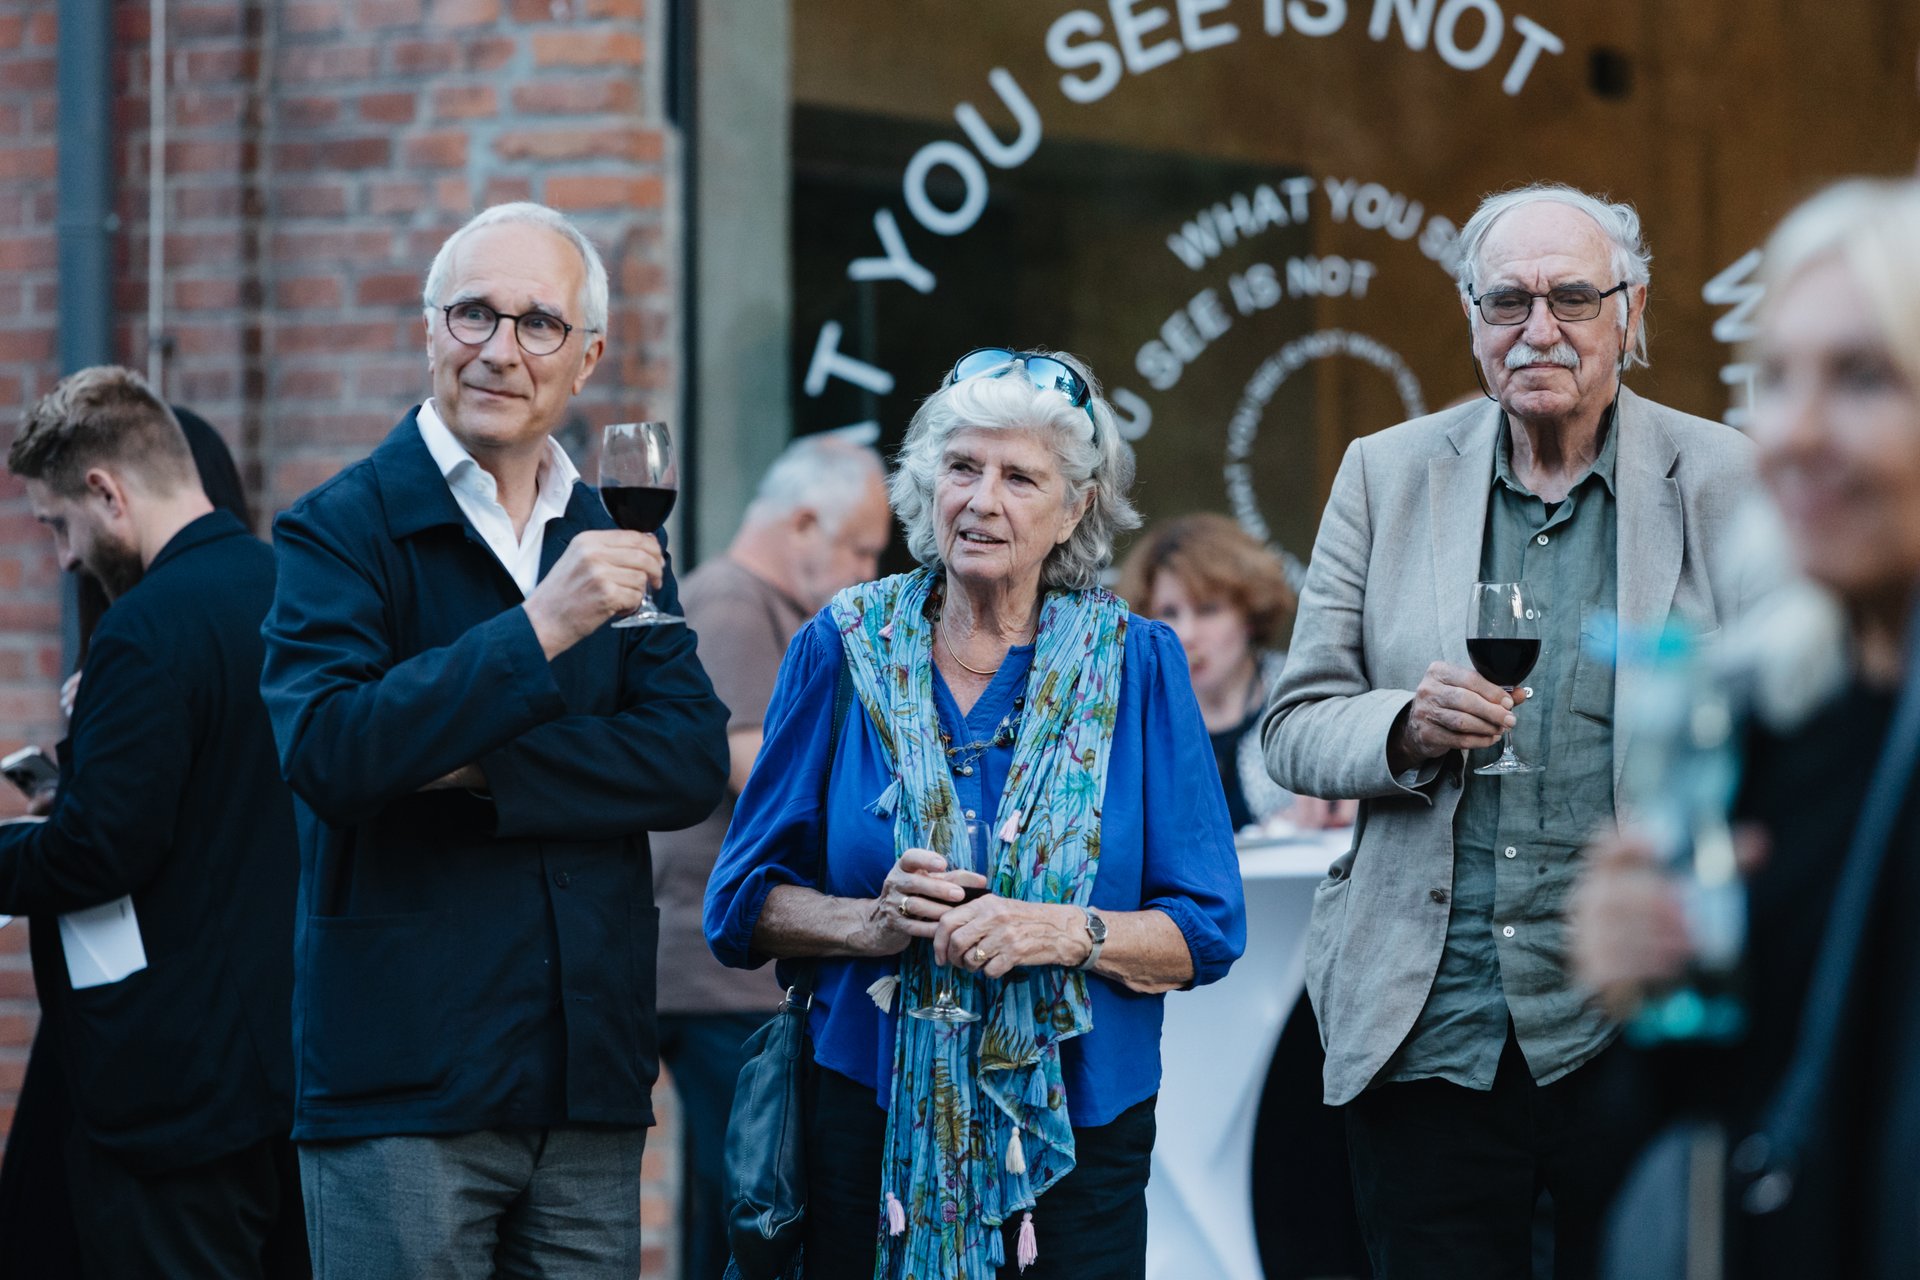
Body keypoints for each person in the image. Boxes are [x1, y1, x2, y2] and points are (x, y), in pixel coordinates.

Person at [1263, 182, 1769, 1279]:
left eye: (1572, 298)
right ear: (1472, 318)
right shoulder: (1385, 473)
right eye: (1508, 301)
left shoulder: (1725, 479)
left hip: (1634, 1024)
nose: (1539, 329)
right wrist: (1403, 727)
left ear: (1630, 313)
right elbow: (1294, 725)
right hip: (1428, 1028)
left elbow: (1788, 717)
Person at [258, 201, 730, 1279]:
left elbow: (689, 758)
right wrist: (541, 627)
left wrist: (472, 766)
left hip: (585, 1073)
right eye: (474, 314)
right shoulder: (340, 527)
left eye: (539, 323)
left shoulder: (613, 526)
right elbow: (330, 751)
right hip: (405, 1078)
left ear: (586, 357)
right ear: (430, 329)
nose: (501, 350)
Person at [705, 347, 1246, 1279]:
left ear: (1074, 508)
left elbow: (1206, 929)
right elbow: (739, 906)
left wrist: (1061, 932)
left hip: (1076, 1135)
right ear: (928, 486)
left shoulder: (1137, 663)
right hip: (864, 1116)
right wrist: (869, 922)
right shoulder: (843, 647)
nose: (982, 500)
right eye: (962, 467)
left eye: (1019, 477)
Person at [1571, 178, 1920, 1279]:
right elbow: (1715, 1129)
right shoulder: (1782, 728)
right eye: (1776, 378)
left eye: (1863, 378)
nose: (1794, 433)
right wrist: (1650, 991)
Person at [0, 367, 305, 1278]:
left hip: (174, 1095)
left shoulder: (141, 629)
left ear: (107, 492)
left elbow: (101, 849)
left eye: (58, 524)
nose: (64, 557)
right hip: (296, 1074)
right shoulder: (292, 590)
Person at [652, 434, 891, 1280]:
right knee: (753, 1203)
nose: (868, 570)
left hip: (727, 966)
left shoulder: (774, 607)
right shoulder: (732, 600)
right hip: (716, 969)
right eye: (860, 547)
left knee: (737, 1197)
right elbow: (748, 762)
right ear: (803, 523)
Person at [1118, 511, 1363, 1277]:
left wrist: (1344, 799)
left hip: (1291, 998)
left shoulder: (1303, 703)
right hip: (1166, 991)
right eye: (1168, 612)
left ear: (1250, 611)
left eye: (1209, 609)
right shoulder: (1131, 710)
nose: (1188, 634)